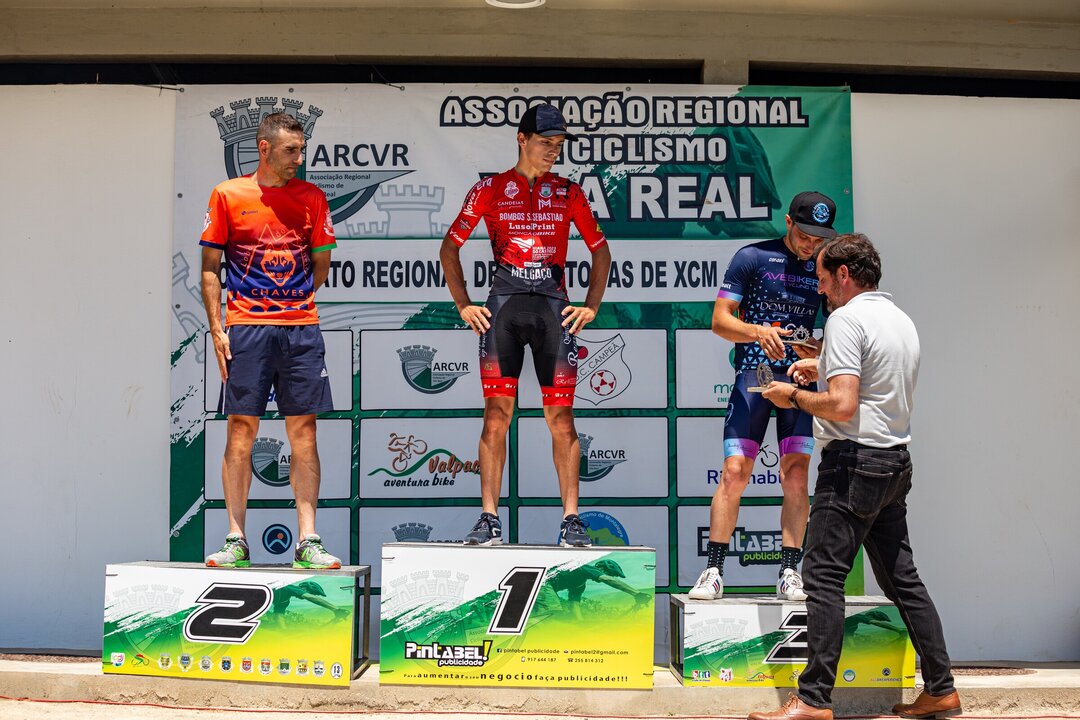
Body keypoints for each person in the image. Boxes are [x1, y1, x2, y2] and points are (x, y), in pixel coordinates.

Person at [750, 233, 959, 720]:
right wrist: (823, 363)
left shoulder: (845, 319)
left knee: (822, 577)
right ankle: (942, 688)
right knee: (904, 582)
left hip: (852, 463)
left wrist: (790, 395)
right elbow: (873, 381)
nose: (820, 289)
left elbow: (842, 405)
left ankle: (813, 700)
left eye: (823, 279)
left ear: (844, 274)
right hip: (894, 462)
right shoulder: (900, 319)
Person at [440, 102, 612, 547]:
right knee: (496, 416)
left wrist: (591, 306)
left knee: (562, 418)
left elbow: (601, 251)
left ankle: (571, 520)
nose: (553, 151)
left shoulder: (568, 192)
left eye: (558, 145)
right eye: (545, 142)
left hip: (555, 311)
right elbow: (449, 248)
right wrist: (463, 305)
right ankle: (489, 518)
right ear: (522, 139)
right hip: (503, 311)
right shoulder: (490, 189)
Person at [200, 112, 341, 570]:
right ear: (264, 149)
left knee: (304, 431)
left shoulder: (312, 196)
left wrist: (292, 299)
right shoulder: (228, 194)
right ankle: (236, 539)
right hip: (246, 327)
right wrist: (218, 328)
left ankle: (308, 540)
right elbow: (210, 268)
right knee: (241, 430)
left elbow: (321, 263)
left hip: (301, 327)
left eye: (301, 150)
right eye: (290, 151)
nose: (298, 159)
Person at [689, 192, 837, 602]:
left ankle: (790, 571)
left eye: (819, 239)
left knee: (796, 474)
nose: (811, 245)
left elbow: (840, 331)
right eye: (805, 235)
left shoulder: (826, 268)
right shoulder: (753, 257)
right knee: (735, 471)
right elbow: (719, 321)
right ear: (788, 222)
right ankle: (713, 571)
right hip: (755, 376)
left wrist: (818, 348)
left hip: (800, 379)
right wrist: (757, 331)